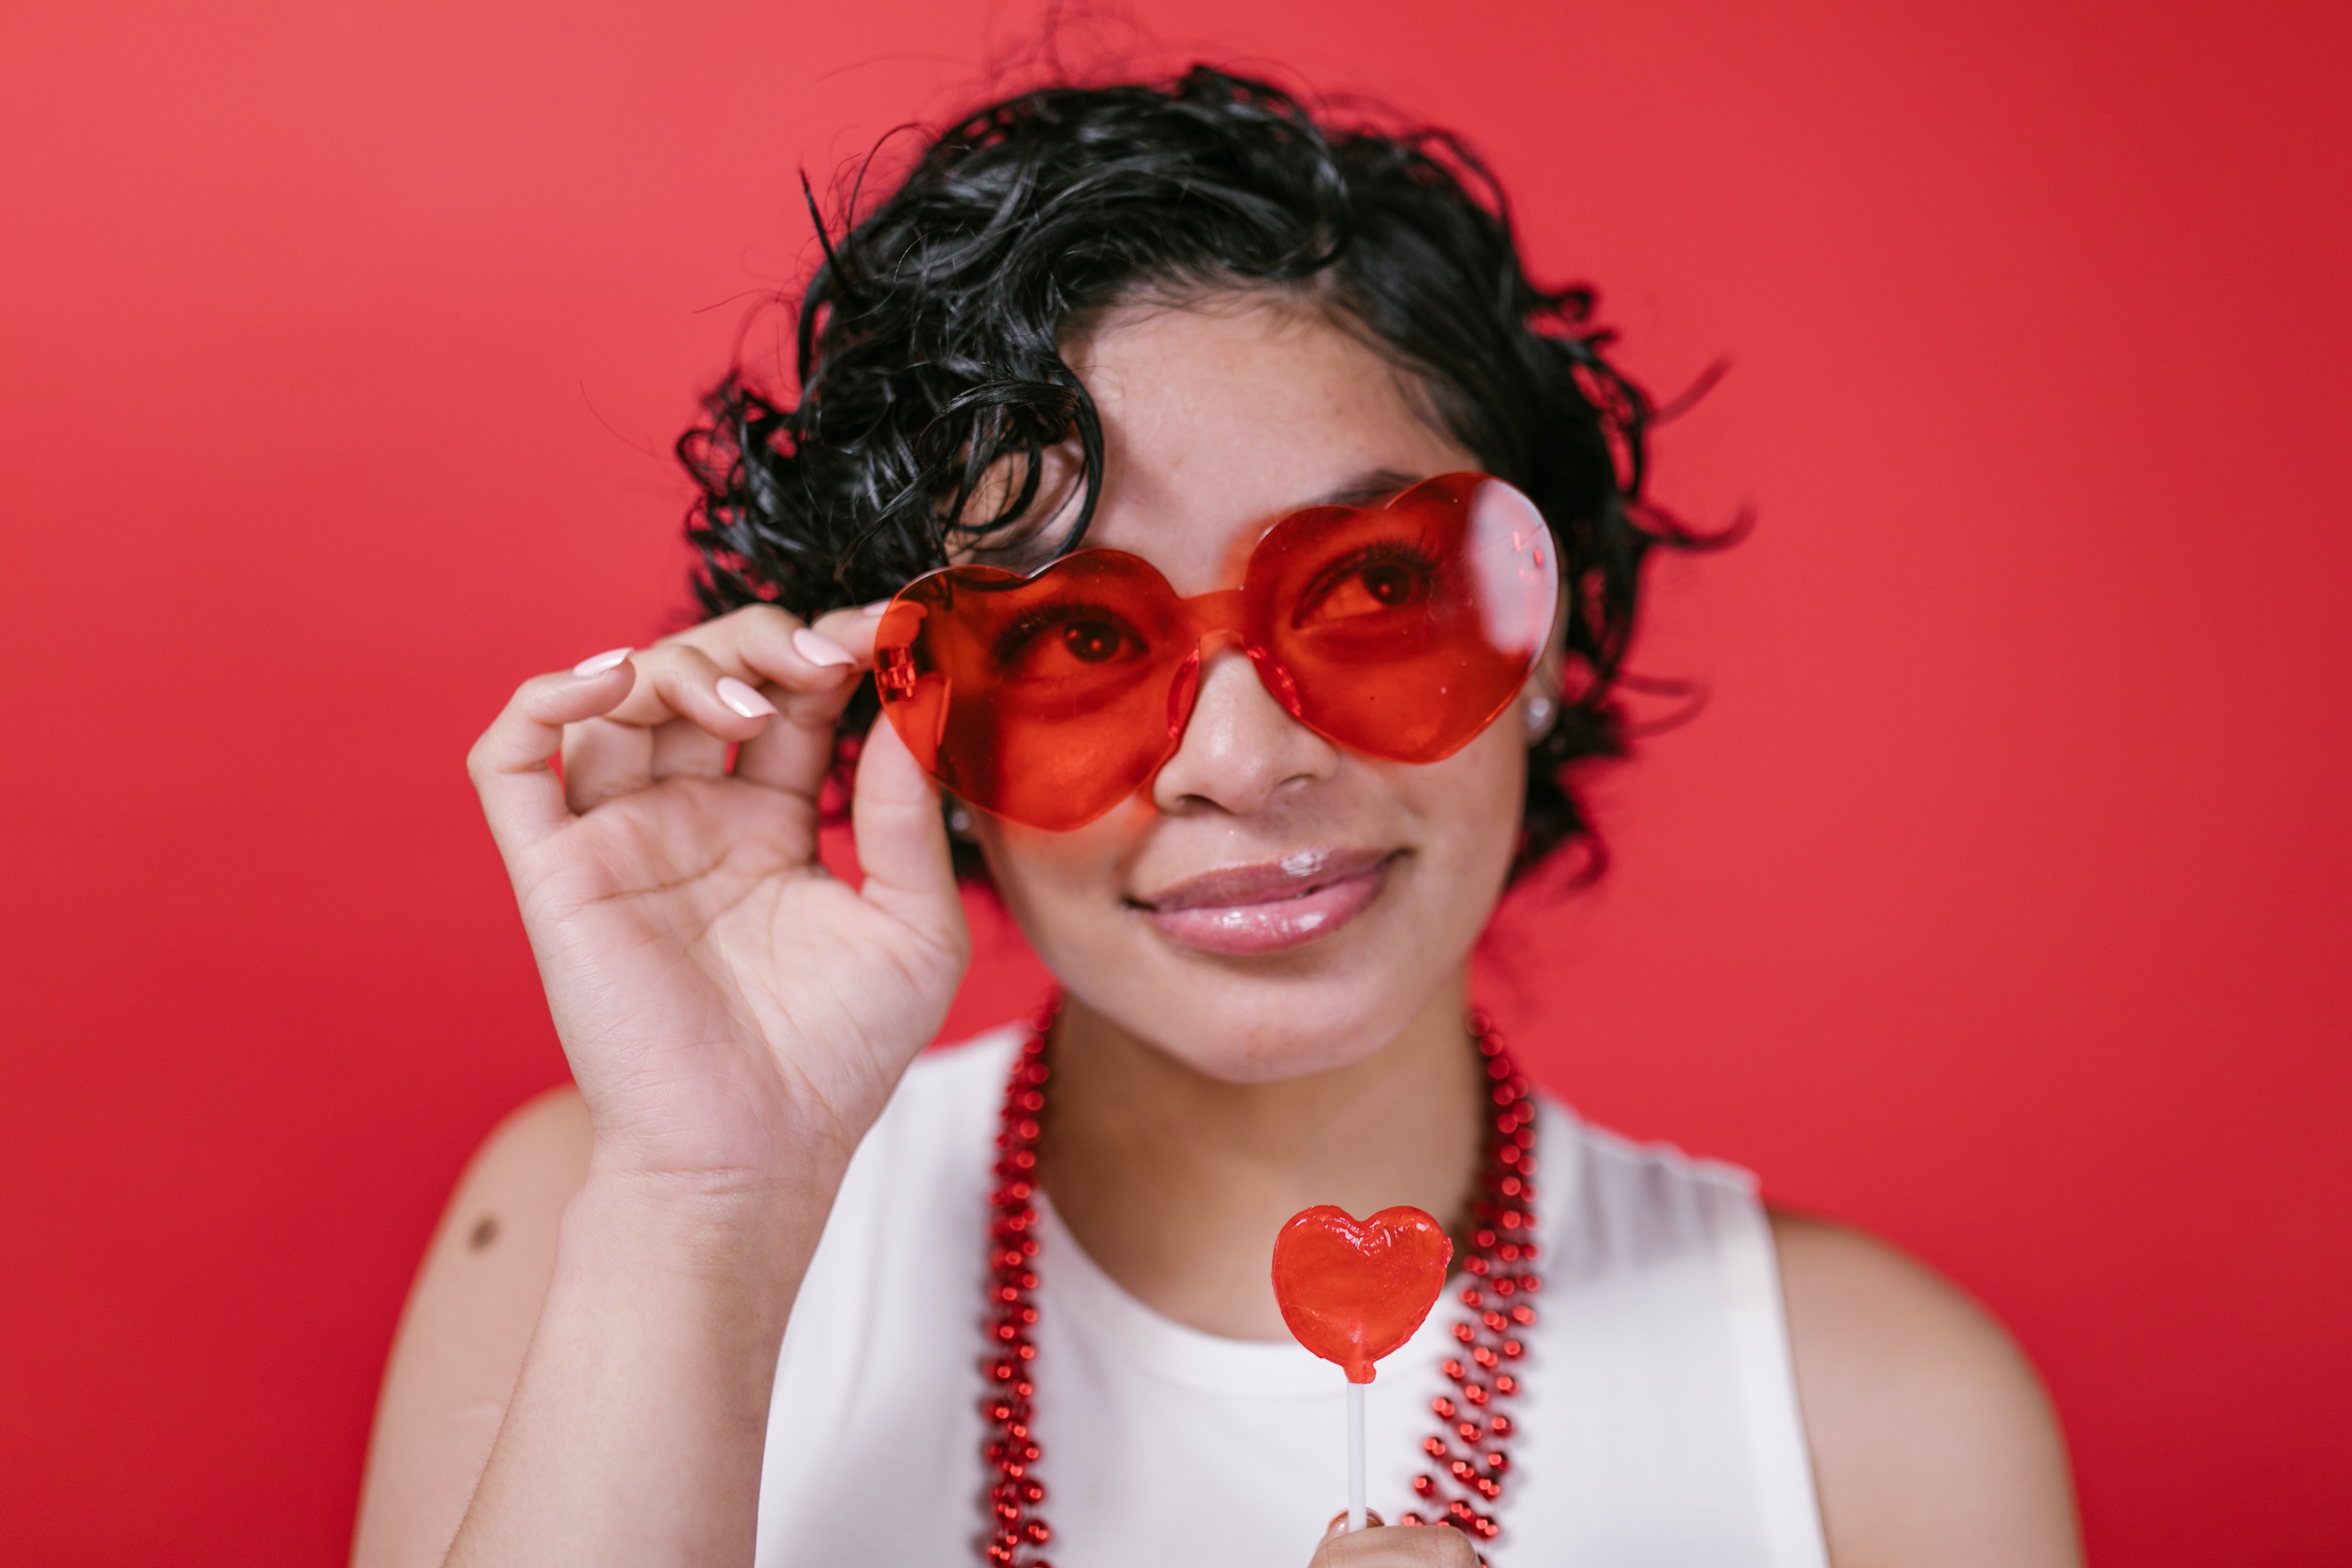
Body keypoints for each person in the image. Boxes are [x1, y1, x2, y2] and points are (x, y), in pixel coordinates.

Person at [352, 68, 2080, 1568]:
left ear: (1550, 632)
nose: (1243, 763)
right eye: (1082, 636)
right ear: (914, 720)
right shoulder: (606, 1228)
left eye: (1379, 584)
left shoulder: (1885, 1419)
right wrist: (705, 1204)